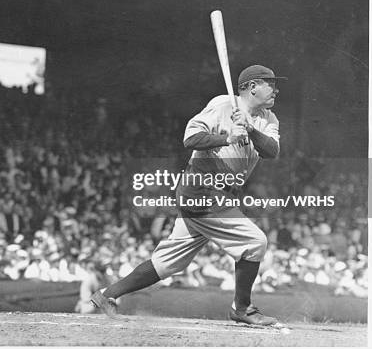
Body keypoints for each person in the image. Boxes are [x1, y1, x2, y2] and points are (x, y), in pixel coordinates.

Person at [91, 65, 285, 326]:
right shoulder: (222, 104)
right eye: (271, 84)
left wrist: (248, 129)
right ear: (252, 87)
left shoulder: (269, 119)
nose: (276, 89)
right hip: (202, 187)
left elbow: (271, 151)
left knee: (167, 263)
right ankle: (242, 308)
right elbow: (190, 138)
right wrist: (227, 138)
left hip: (220, 192)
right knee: (255, 243)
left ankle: (107, 295)